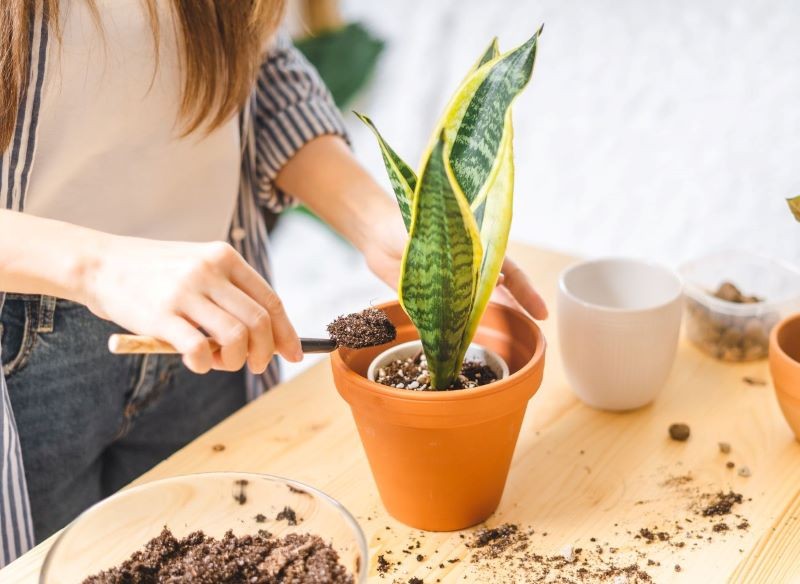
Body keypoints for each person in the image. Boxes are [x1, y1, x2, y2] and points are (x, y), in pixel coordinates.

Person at [0, 0, 548, 564]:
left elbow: (256, 62)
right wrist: (100, 265)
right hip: (29, 365)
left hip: (220, 331)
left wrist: (382, 224)